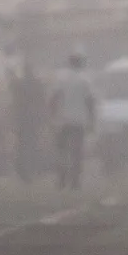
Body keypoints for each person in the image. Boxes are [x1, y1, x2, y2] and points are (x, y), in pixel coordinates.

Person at [48, 52, 96, 190]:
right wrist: (92, 120)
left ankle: (61, 181)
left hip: (62, 120)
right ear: (80, 64)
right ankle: (75, 182)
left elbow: (54, 98)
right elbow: (90, 102)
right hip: (79, 121)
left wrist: (52, 116)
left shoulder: (61, 78)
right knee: (77, 153)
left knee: (62, 151)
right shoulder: (85, 80)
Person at [11, 63, 46, 182]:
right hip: (33, 119)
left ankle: (22, 170)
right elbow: (42, 101)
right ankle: (30, 169)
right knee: (32, 144)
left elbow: (16, 101)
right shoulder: (37, 84)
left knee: (22, 145)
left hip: (22, 118)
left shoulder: (19, 84)